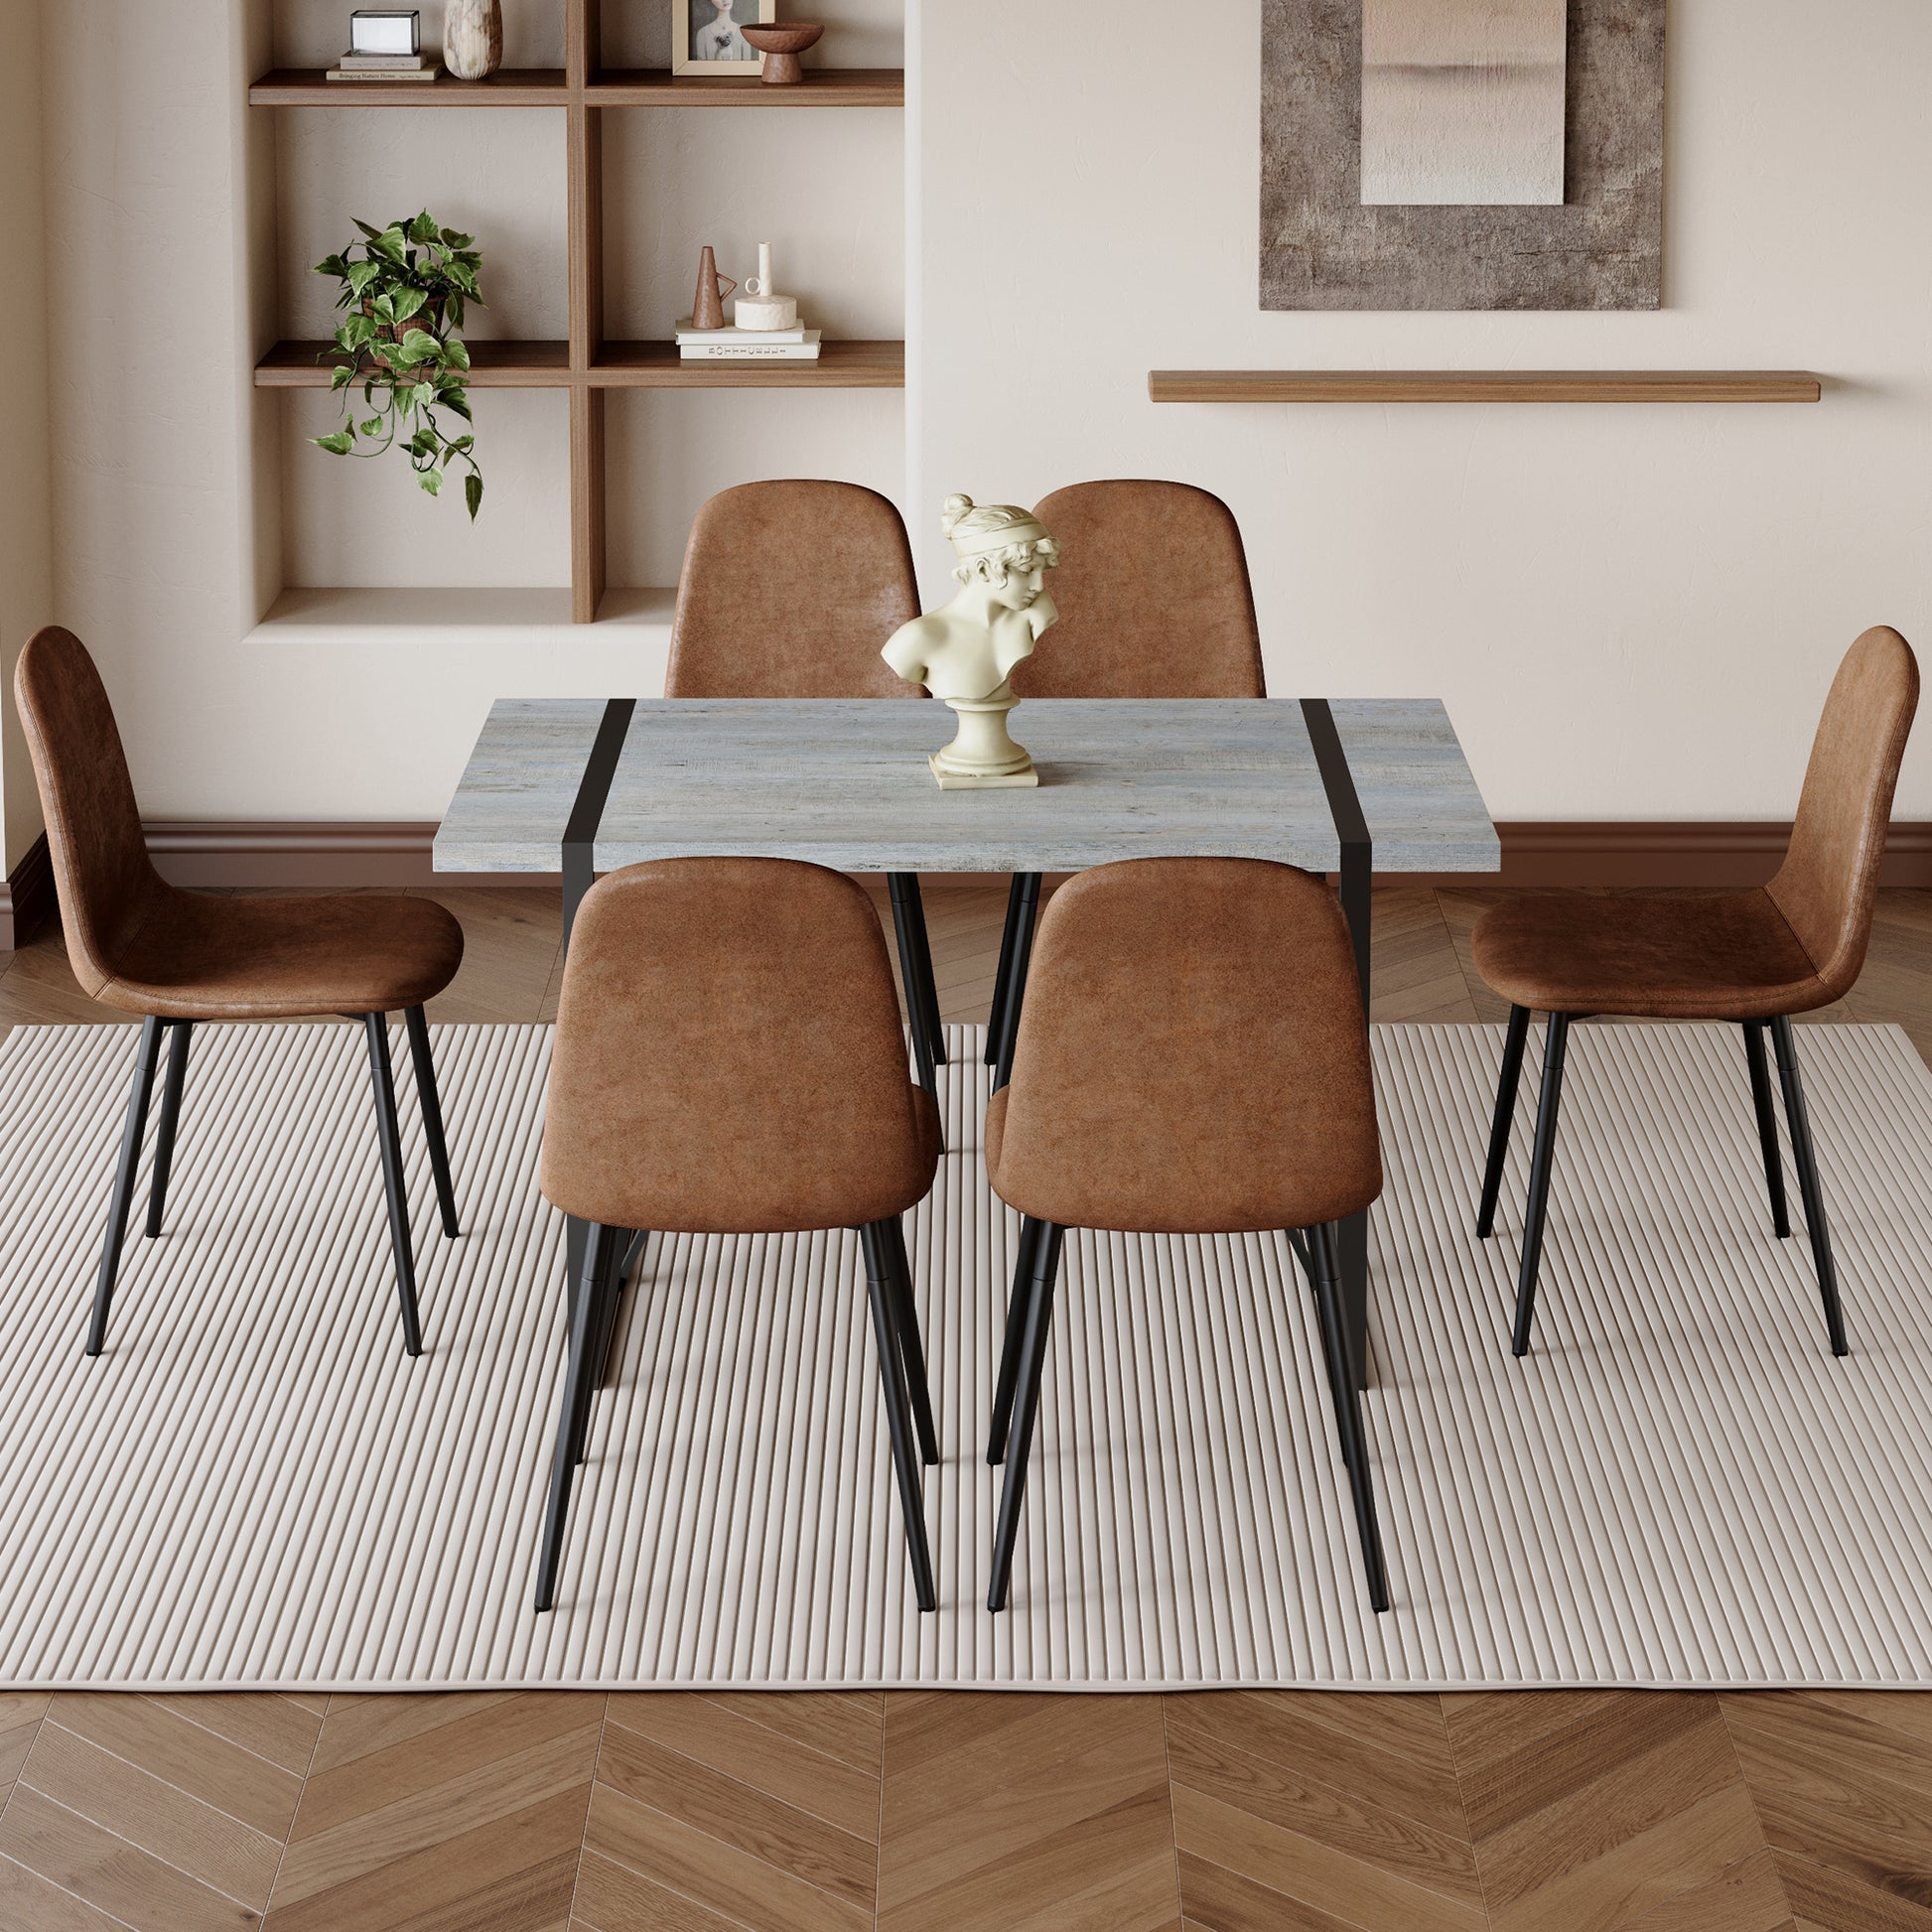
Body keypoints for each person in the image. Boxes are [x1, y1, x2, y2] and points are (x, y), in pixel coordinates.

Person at [692, 0, 758, 63]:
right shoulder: (702, 33)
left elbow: (747, 67)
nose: (725, 0)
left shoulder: (744, 32)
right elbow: (701, 68)